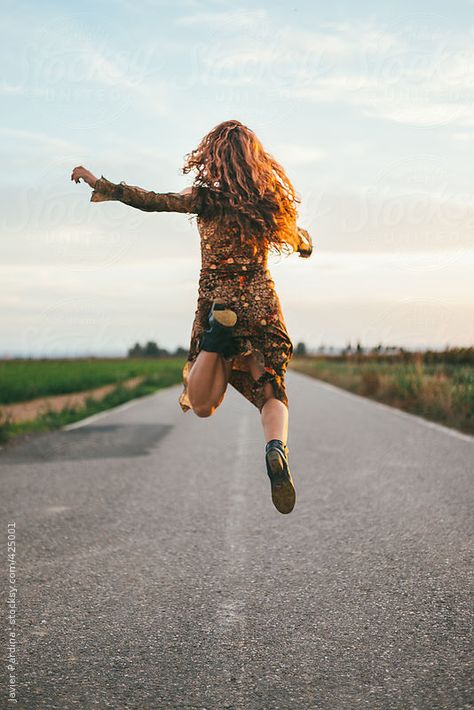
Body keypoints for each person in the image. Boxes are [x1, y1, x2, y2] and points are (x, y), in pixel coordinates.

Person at [71, 119, 313, 514]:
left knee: (203, 405)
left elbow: (153, 200)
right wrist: (304, 245)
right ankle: (275, 448)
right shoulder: (267, 206)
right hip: (260, 302)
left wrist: (104, 185)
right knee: (271, 392)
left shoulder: (203, 198)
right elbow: (298, 238)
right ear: (255, 162)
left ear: (213, 157)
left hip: (217, 299)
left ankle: (217, 340)